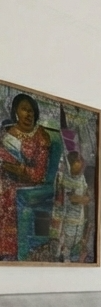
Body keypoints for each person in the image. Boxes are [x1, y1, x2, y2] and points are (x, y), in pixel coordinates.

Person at [0, 94, 52, 260]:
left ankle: (8, 252)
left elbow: (38, 175)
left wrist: (16, 169)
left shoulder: (41, 137)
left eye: (31, 111)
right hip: (6, 178)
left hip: (30, 184)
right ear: (16, 112)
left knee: (5, 194)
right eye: (24, 110)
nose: (28, 114)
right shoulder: (7, 134)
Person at [51, 151, 91, 262]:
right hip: (67, 218)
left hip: (79, 218)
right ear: (71, 163)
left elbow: (86, 195)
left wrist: (85, 199)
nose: (81, 163)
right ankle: (62, 257)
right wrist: (83, 199)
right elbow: (72, 198)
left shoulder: (81, 178)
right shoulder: (63, 178)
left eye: (81, 160)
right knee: (66, 241)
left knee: (76, 241)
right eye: (78, 161)